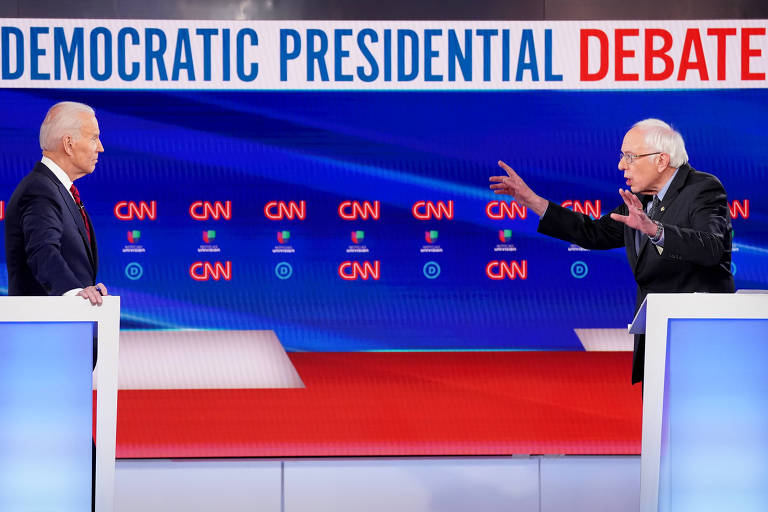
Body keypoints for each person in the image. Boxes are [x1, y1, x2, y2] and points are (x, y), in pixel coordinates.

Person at [489, 118, 734, 384]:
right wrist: (533, 202)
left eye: (630, 157)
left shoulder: (702, 188)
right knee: (658, 423)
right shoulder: (640, 199)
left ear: (661, 160)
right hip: (657, 336)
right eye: (622, 157)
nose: (621, 165)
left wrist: (655, 230)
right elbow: (593, 233)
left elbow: (711, 247)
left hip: (697, 336)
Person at [5, 101, 108, 304]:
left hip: (67, 325)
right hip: (46, 329)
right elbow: (42, 250)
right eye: (94, 138)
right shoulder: (40, 190)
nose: (101, 148)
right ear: (68, 144)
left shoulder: (55, 189)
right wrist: (73, 291)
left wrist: (88, 291)